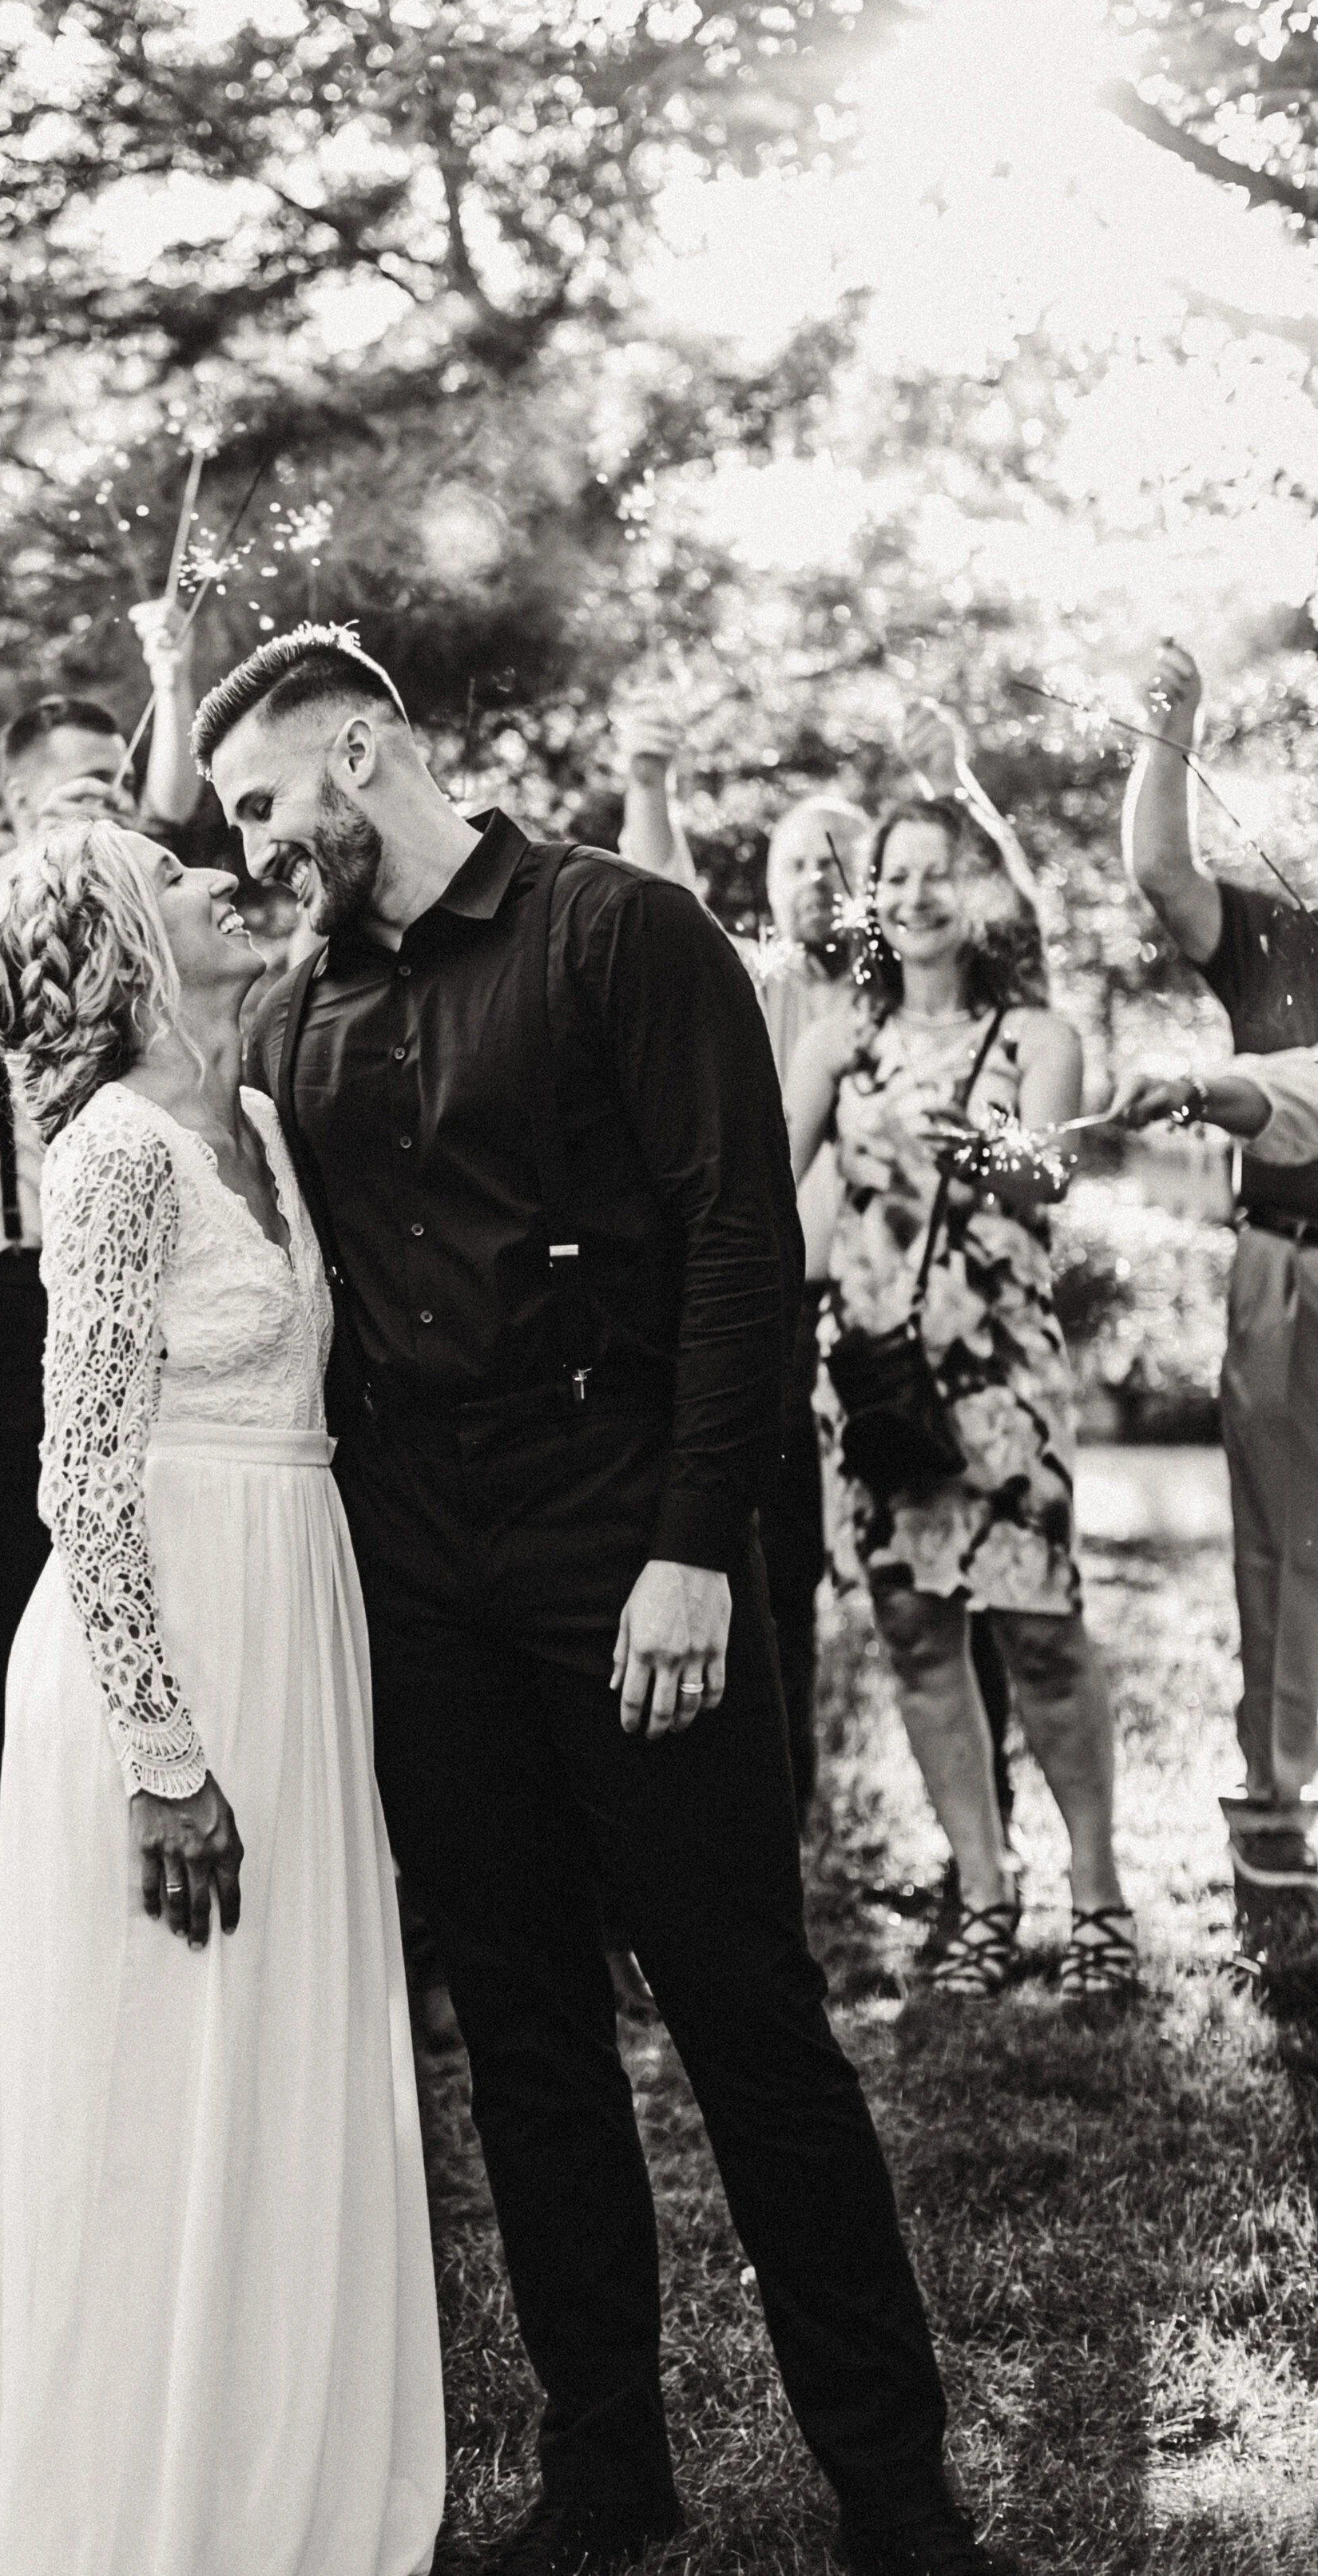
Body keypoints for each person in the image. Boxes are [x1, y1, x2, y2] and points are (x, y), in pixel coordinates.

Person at [200, 625, 1004, 2576]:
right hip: (423, 1562)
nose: (246, 844)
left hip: (618, 1520)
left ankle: (894, 2488)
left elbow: (739, 1242)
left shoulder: (617, 931)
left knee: (744, 2010)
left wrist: (687, 1546)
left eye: (257, 799)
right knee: (528, 2027)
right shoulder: (304, 1006)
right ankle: (604, 2471)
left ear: (364, 748)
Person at [0, 820, 443, 2576]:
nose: (216, 870)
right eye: (172, 866)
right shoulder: (116, 1156)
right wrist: (158, 1750)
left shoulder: (267, 1129)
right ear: (127, 945)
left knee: (286, 2054)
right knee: (164, 2088)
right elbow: (80, 1472)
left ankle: (287, 2478)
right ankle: (145, 2511)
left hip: (294, 1607)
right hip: (167, 1660)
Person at [0, 609, 200, 2073]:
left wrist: (176, 688)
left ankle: (151, 1926)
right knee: (11, 1615)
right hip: (10, 1297)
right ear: (11, 804)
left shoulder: (155, 919)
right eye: (70, 786)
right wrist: (54, 847)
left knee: (151, 1604)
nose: (103, 805)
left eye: (112, 783)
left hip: (150, 1287)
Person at [617, 697, 1021, 1838]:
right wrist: (649, 785)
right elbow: (666, 903)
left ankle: (980, 1840)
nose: (810, 875)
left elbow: (1000, 914)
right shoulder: (759, 986)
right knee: (776, 1570)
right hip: (787, 1327)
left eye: (833, 857)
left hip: (917, 1324)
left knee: (953, 1578)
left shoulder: (916, 997)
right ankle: (780, 1821)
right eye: (792, 856)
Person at [786, 798, 1135, 2005]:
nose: (921, 893)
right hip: (879, 1378)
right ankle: (983, 1895)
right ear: (870, 896)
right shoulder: (838, 1040)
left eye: (943, 873)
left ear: (979, 892)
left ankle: (1098, 1903)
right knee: (919, 1633)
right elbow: (766, 1197)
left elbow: (1051, 1181)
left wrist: (987, 1153)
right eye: (898, 873)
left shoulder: (1035, 1033)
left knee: (1040, 1631)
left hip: (1003, 1381)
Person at [1122, 637, 1318, 1901]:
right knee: (1280, 1540)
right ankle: (1280, 1794)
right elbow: (1157, 869)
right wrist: (1170, 725)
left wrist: (1206, 1086)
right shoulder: (1279, 934)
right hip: (1285, 1269)